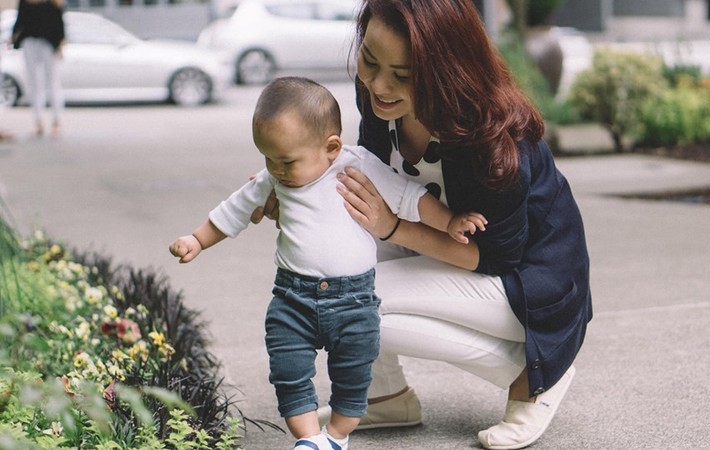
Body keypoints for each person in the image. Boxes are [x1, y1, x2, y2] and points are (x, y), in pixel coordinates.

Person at [253, 1, 592, 449]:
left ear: (445, 70)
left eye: (403, 74)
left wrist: (393, 228)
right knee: (329, 260)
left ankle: (538, 371)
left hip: (530, 284)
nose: (378, 84)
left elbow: (493, 256)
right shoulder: (379, 101)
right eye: (369, 60)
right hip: (447, 246)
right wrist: (293, 192)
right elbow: (363, 175)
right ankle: (385, 395)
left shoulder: (488, 138)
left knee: (353, 301)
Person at [169, 77, 487, 450]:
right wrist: (196, 240)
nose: (276, 169)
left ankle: (337, 436)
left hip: (353, 301)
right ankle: (308, 439)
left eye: (286, 160)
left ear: (331, 147)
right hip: (292, 298)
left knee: (353, 380)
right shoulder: (274, 176)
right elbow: (233, 210)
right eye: (268, 158)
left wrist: (449, 222)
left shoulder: (357, 167)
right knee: (288, 373)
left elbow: (409, 198)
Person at [11, 0, 65, 137]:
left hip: (49, 43)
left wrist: (60, 45)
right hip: (29, 42)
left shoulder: (53, 2)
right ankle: (38, 122)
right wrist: (12, 37)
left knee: (52, 81)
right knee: (34, 83)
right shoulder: (24, 1)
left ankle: (56, 121)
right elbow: (20, 19)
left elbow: (59, 21)